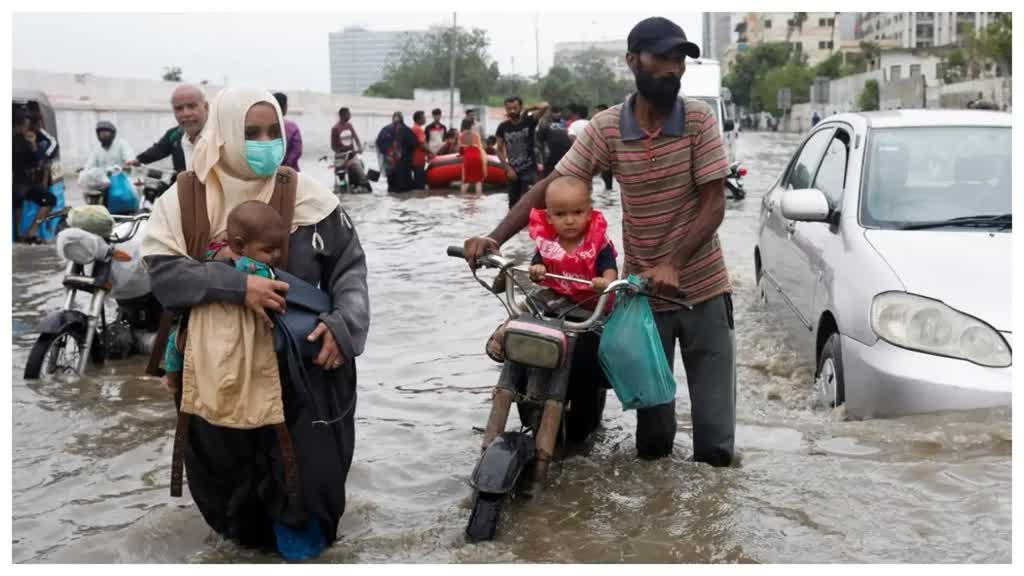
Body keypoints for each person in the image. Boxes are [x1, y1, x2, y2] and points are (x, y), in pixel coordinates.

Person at [463, 16, 735, 467]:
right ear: (632, 62)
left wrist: (674, 261)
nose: (672, 69)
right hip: (643, 299)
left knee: (715, 444)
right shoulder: (609, 128)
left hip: (704, 291)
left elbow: (713, 206)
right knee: (653, 441)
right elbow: (552, 185)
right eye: (661, 58)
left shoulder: (699, 122)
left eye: (678, 61)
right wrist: (492, 238)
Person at [141, 87, 369, 559]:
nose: (267, 142)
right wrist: (237, 287)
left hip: (303, 375)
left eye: (272, 131)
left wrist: (345, 327)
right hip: (215, 373)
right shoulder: (184, 199)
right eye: (251, 133)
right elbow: (164, 275)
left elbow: (349, 271)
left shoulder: (312, 200)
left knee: (308, 487)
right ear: (223, 135)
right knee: (232, 496)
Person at [160, 200, 287, 394]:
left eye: (278, 248)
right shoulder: (260, 271)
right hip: (244, 336)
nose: (276, 255)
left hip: (211, 329)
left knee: (174, 343)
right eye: (269, 250)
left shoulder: (215, 257)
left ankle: (172, 380)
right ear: (239, 244)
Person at [486, 175, 618, 362]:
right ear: (549, 217)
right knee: (529, 302)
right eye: (561, 214)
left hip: (591, 303)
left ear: (589, 213)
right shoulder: (549, 242)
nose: (569, 220)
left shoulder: (598, 243)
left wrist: (606, 282)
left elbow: (610, 268)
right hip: (558, 297)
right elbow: (537, 265)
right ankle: (505, 329)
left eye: (577, 213)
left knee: (610, 339)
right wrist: (537, 270)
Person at [129, 85, 209, 177]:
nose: (186, 113)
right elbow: (158, 150)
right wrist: (138, 160)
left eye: (191, 106)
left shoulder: (220, 135)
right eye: (179, 108)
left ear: (206, 107)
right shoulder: (175, 135)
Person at [496, 96, 549, 209]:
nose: (512, 111)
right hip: (512, 171)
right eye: (509, 109)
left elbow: (545, 105)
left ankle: (531, 225)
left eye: (515, 108)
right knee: (513, 205)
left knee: (530, 202)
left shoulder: (529, 121)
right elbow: (499, 150)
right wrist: (508, 168)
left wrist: (528, 109)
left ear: (520, 107)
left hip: (529, 169)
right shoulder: (503, 127)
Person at [13, 110, 56, 243]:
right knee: (19, 196)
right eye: (24, 125)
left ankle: (29, 232)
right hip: (18, 183)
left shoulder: (28, 139)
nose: (26, 128)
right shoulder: (17, 139)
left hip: (24, 182)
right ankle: (24, 233)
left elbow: (37, 161)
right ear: (17, 125)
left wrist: (32, 145)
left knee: (49, 199)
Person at [78, 120, 136, 202]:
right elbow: (90, 164)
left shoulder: (121, 144)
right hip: (103, 181)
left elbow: (129, 158)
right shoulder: (97, 148)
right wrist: (84, 170)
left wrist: (128, 164)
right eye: (101, 133)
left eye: (106, 132)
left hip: (120, 180)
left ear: (112, 133)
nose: (103, 135)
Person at [376, 112, 417, 193]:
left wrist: (388, 153)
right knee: (404, 188)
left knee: (392, 189)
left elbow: (379, 143)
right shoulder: (407, 130)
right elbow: (413, 144)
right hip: (403, 164)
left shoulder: (385, 129)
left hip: (392, 163)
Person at [330, 107, 368, 191]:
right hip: (340, 157)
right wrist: (341, 153)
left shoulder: (349, 125)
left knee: (360, 172)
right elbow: (333, 146)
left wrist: (359, 147)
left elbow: (356, 138)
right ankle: (342, 189)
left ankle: (358, 186)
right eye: (348, 114)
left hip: (352, 155)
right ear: (342, 115)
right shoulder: (335, 128)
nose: (350, 115)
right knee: (341, 178)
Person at [537, 105, 572, 178]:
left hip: (565, 155)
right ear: (551, 113)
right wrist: (543, 157)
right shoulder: (545, 124)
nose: (558, 114)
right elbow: (540, 141)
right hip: (550, 156)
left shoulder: (565, 124)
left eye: (559, 112)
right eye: (556, 112)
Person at [273, 92, 303, 171]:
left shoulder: (263, 126)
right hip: (290, 173)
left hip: (268, 172)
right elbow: (297, 150)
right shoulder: (292, 127)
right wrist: (285, 166)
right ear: (285, 107)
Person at [458, 118, 487, 196]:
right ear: (471, 125)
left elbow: (461, 150)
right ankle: (479, 198)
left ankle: (462, 198)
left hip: (468, 157)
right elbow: (480, 148)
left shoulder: (461, 136)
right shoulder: (476, 135)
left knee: (466, 181)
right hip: (477, 156)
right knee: (478, 181)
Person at [592, 104, 614, 191]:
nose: (594, 114)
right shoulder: (598, 123)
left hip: (608, 154)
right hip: (603, 154)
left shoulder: (608, 123)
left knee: (607, 176)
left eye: (596, 112)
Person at [410, 110, 428, 189]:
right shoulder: (419, 130)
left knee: (416, 181)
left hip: (413, 159)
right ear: (419, 119)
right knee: (420, 184)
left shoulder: (413, 128)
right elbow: (422, 144)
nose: (425, 119)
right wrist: (431, 152)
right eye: (424, 117)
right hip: (419, 160)